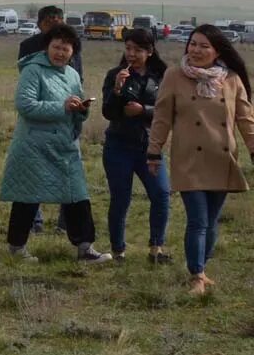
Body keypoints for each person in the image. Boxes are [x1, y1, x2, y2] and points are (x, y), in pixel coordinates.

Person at [147, 25, 254, 295]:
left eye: (203, 46)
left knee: (212, 220)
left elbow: (245, 119)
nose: (195, 49)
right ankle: (196, 274)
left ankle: (202, 270)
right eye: (192, 43)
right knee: (198, 220)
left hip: (222, 157)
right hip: (189, 160)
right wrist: (154, 150)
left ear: (216, 51)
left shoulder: (231, 79)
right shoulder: (174, 76)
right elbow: (161, 117)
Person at [0, 24, 111, 264]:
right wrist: (62, 107)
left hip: (65, 147)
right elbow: (25, 105)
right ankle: (17, 248)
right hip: (33, 146)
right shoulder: (33, 70)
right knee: (27, 197)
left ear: (73, 52)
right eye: (56, 47)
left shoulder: (71, 74)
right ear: (47, 47)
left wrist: (81, 109)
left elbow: (74, 107)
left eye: (66, 48)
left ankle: (85, 248)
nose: (60, 52)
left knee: (77, 196)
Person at [101, 28, 170, 263]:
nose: (131, 54)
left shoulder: (162, 76)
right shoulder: (115, 74)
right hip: (118, 146)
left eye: (138, 50)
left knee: (161, 194)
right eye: (128, 48)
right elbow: (108, 112)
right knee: (121, 199)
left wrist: (144, 111)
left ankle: (156, 248)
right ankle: (118, 250)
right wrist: (117, 89)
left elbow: (170, 110)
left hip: (150, 146)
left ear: (149, 51)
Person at [18, 5, 81, 234]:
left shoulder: (72, 48)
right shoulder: (29, 50)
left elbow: (77, 80)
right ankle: (34, 223)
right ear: (41, 23)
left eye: (59, 19)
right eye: (50, 20)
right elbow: (27, 97)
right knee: (34, 177)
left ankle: (66, 225)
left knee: (70, 177)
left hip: (66, 124)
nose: (56, 23)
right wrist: (57, 104)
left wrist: (80, 109)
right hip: (39, 126)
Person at [19, 5, 82, 78]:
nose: (53, 30)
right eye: (48, 23)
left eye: (56, 25)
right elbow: (26, 75)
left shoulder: (72, 43)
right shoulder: (28, 45)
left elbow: (78, 73)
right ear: (39, 25)